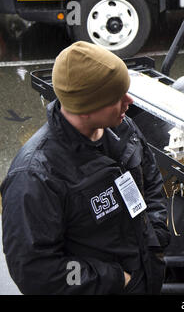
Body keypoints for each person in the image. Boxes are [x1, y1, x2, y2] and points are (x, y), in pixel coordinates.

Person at [1, 41, 170, 294]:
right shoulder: (35, 176)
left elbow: (152, 177)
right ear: (86, 109)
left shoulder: (122, 129)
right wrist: (114, 280)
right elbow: (36, 273)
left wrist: (156, 233)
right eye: (116, 97)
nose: (129, 100)